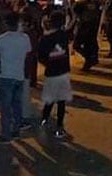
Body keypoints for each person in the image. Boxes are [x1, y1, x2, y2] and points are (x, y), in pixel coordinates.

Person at [0, 12, 32, 143]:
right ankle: (16, 130)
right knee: (17, 105)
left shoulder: (1, 39)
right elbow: (28, 54)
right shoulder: (25, 38)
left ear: (6, 24)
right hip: (19, 76)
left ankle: (6, 134)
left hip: (6, 76)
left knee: (5, 107)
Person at [38, 11, 72, 139]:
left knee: (50, 98)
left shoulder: (45, 39)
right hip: (63, 71)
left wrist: (48, 62)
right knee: (61, 100)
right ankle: (59, 125)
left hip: (51, 72)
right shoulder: (63, 36)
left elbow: (41, 57)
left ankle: (45, 118)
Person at [72, 0, 101, 71]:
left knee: (76, 45)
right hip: (92, 26)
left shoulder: (81, 3)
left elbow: (74, 10)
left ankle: (89, 59)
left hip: (83, 26)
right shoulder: (95, 3)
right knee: (89, 45)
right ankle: (90, 60)